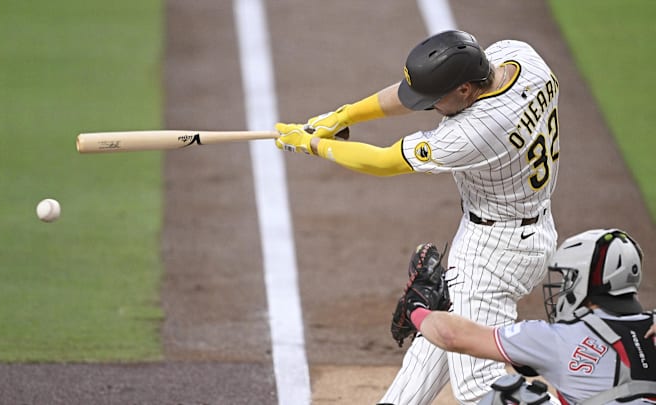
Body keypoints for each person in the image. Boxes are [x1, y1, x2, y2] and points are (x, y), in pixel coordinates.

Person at [274, 29, 560, 403]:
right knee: (434, 349)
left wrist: (312, 144)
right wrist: (342, 115)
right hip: (531, 230)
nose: (428, 107)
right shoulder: (521, 58)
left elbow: (383, 161)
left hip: (494, 254)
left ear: (464, 91)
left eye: (434, 101)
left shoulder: (475, 132)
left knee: (481, 387)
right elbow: (417, 91)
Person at [396, 228, 656, 404]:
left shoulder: (557, 339)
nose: (564, 287)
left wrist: (416, 308)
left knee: (508, 397)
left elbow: (452, 335)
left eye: (569, 278)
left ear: (586, 281)